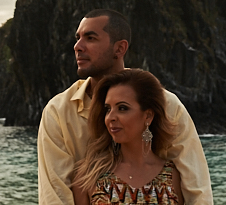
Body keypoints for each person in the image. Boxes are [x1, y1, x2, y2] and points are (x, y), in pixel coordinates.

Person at [37, 9, 212, 205]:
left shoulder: (166, 104)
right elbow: (55, 196)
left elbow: (196, 187)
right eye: (78, 38)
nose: (78, 46)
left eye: (91, 38)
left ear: (119, 49)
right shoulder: (58, 112)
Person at [71, 69, 181, 205]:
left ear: (148, 116)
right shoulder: (88, 176)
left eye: (122, 108)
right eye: (108, 109)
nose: (110, 117)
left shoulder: (172, 178)